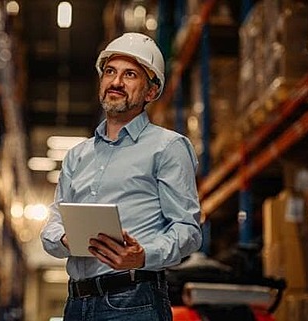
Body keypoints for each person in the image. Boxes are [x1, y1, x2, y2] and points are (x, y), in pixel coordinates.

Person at [40, 32, 202, 321]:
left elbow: (187, 230)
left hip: (134, 301)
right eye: (110, 72)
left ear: (151, 92)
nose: (116, 82)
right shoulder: (78, 155)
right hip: (77, 303)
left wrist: (143, 256)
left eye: (130, 75)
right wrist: (66, 238)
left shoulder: (168, 147)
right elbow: (53, 225)